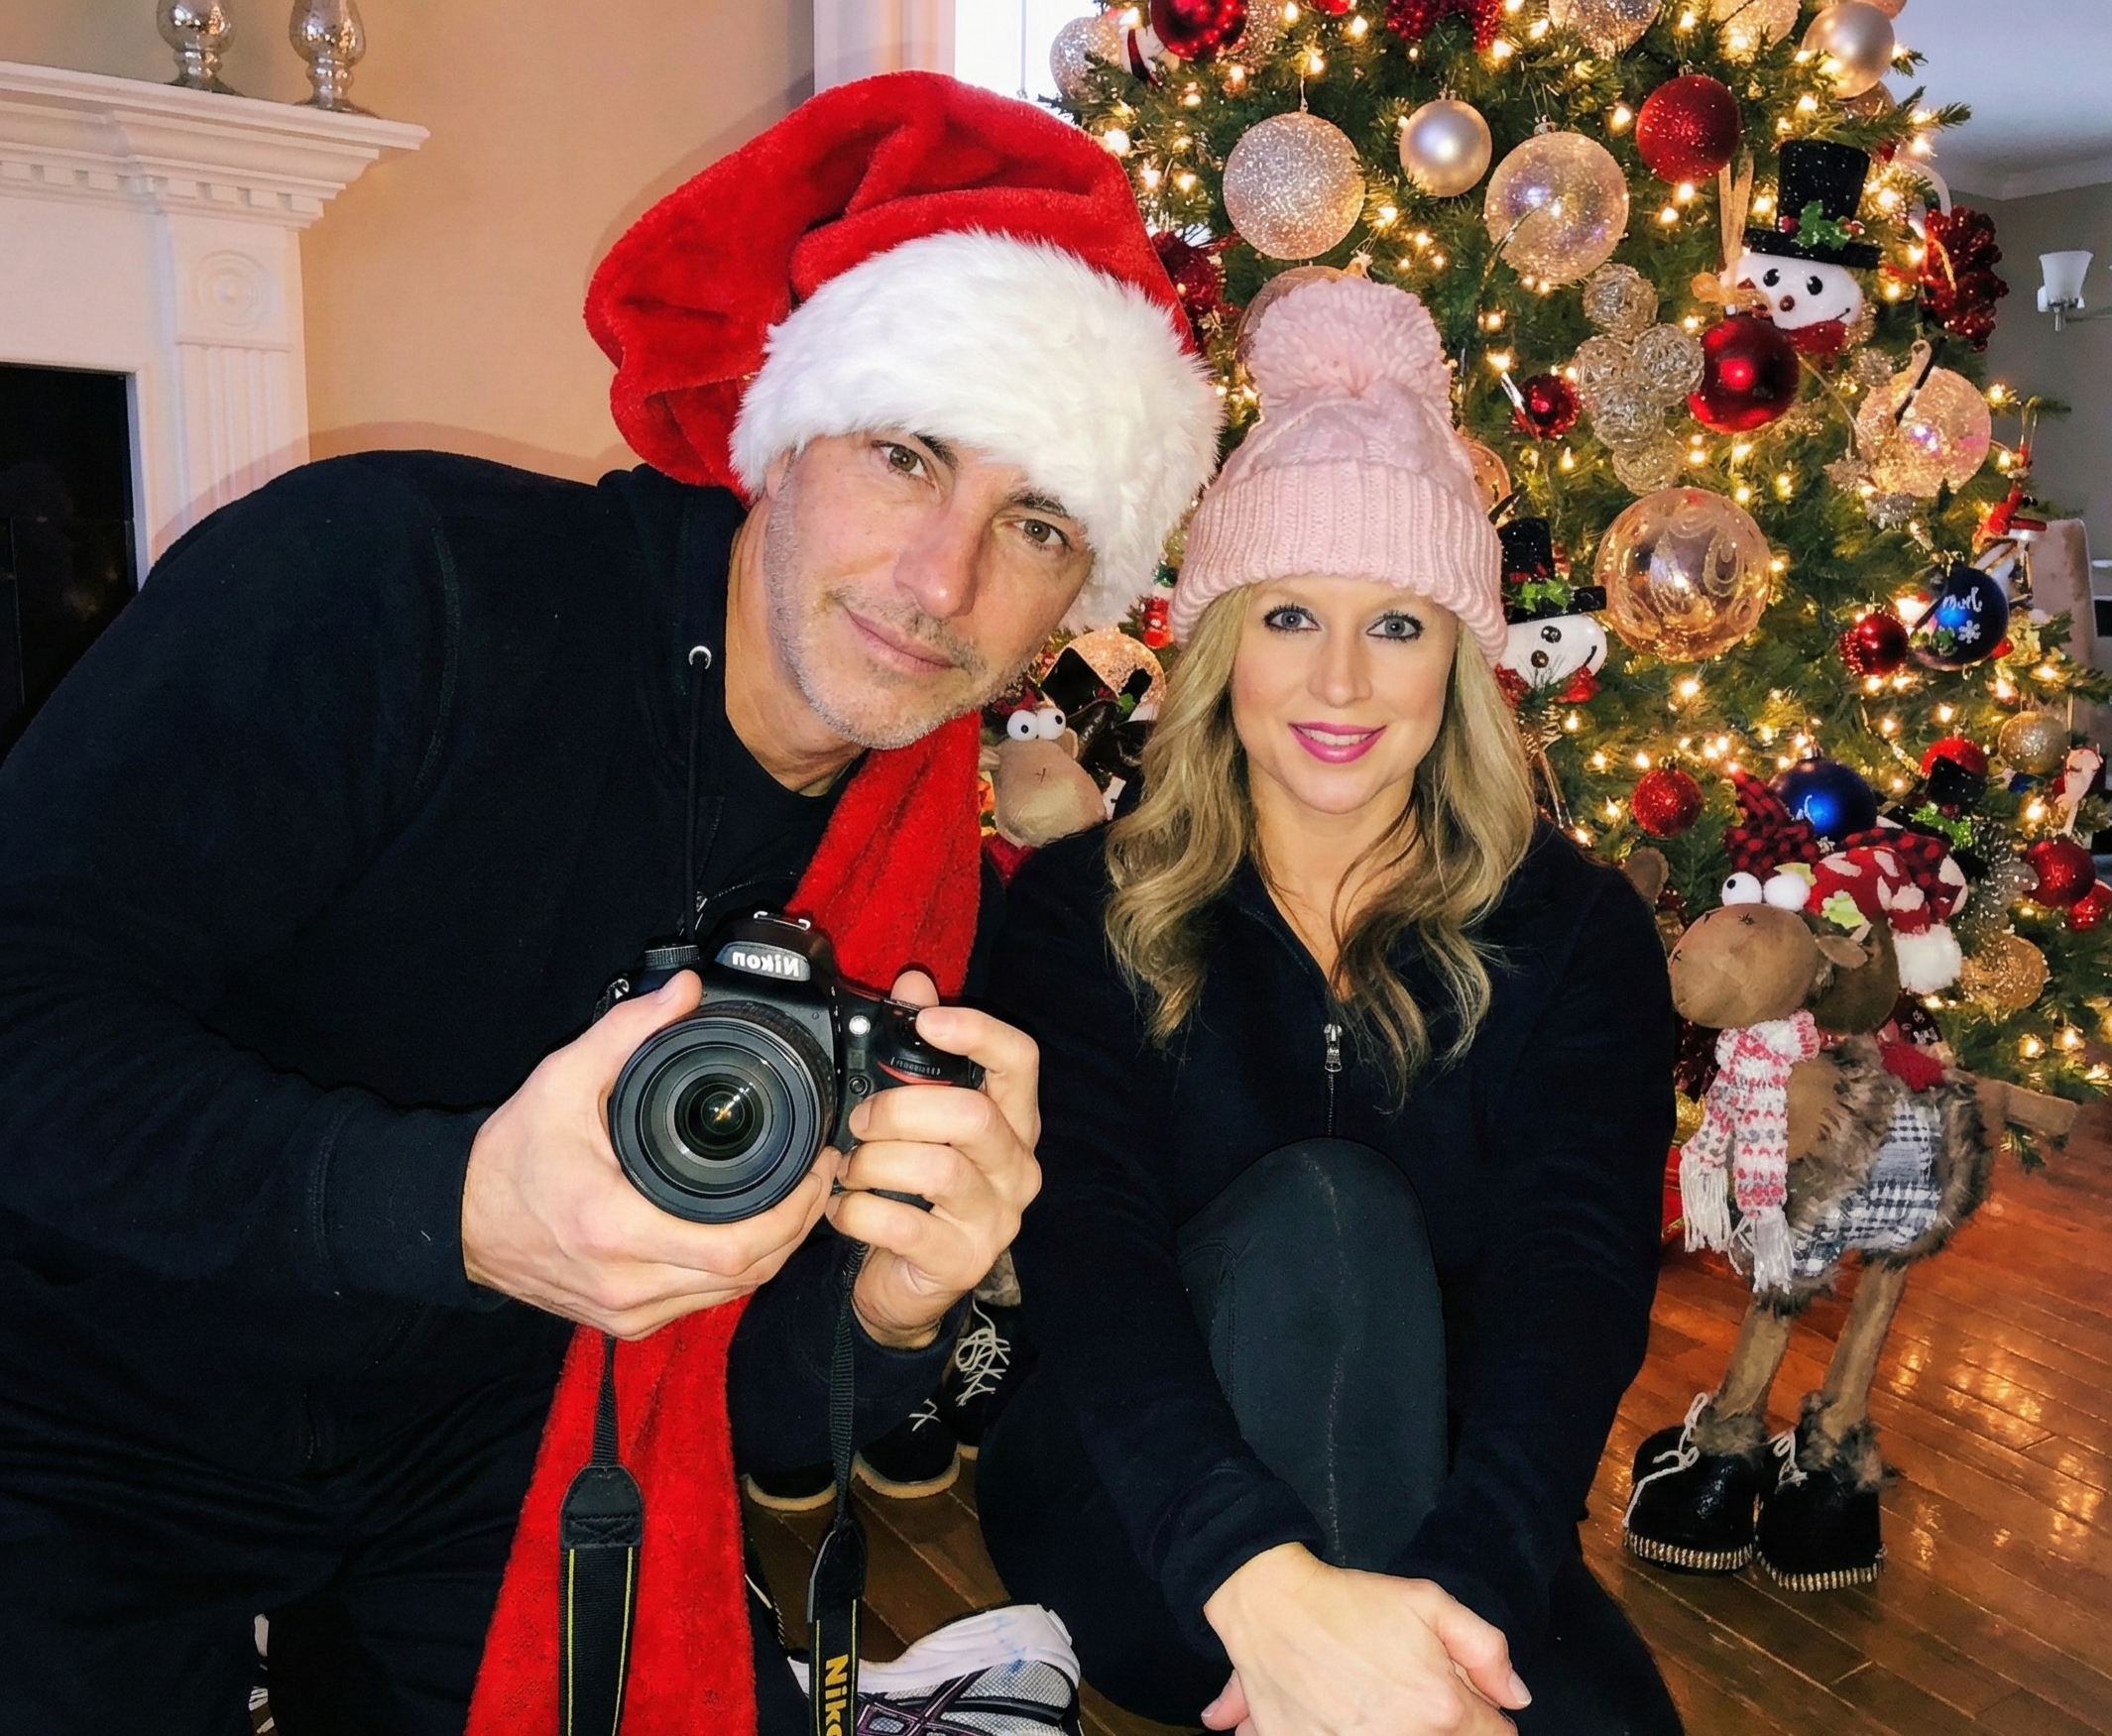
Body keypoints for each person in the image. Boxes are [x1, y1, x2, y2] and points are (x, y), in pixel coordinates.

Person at [0, 73, 1219, 1736]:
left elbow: (756, 1410)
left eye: (1037, 523)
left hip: (499, 1434)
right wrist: (449, 1206)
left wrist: (893, 1306)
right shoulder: (387, 579)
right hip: (79, 1378)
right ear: (781, 433)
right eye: (905, 454)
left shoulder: (921, 871)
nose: (944, 581)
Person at [978, 276, 1684, 1736]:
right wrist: (1263, 1580)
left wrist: (1469, 1584)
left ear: (1462, 659)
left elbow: (1574, 1286)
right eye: (1291, 614)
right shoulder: (1076, 910)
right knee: (1328, 1211)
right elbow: (1093, 1262)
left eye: (1400, 625)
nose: (1342, 682)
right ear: (1222, 642)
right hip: (1144, 1507)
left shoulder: (1577, 932)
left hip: (1450, 1511)